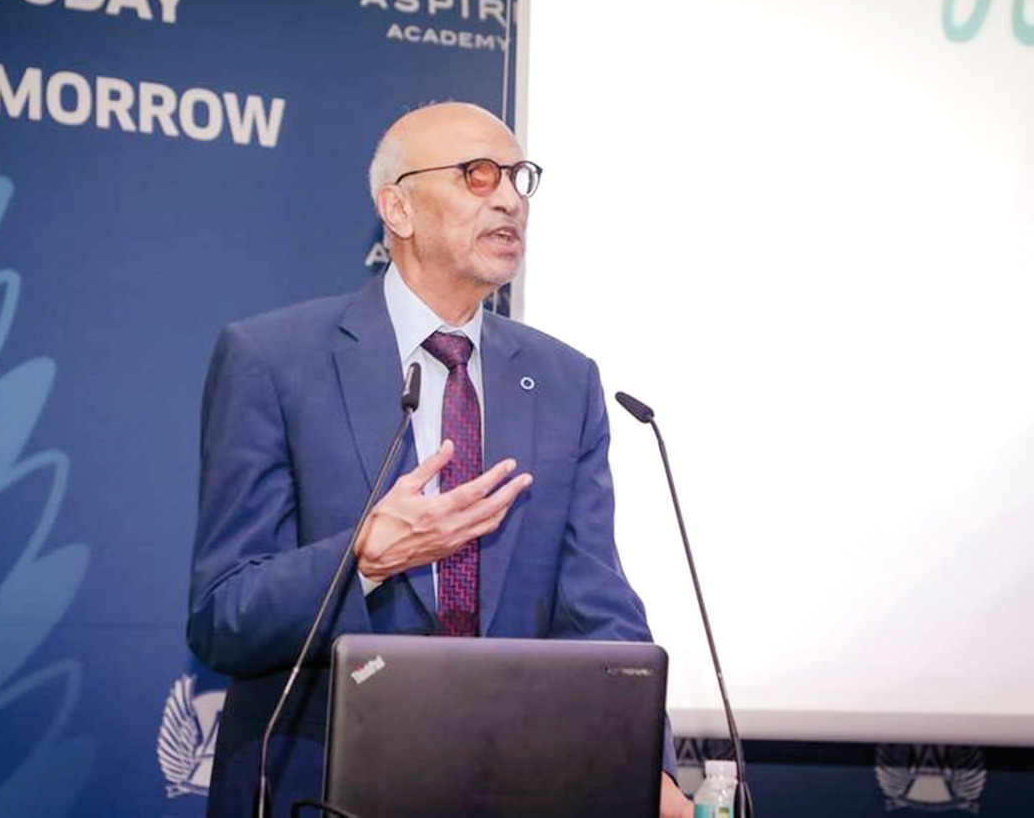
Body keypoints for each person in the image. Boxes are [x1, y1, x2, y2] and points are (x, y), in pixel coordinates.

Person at [188, 101, 693, 817]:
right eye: (477, 175)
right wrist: (363, 556)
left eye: (520, 178)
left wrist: (652, 766)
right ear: (397, 208)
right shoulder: (275, 360)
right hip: (321, 790)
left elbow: (598, 608)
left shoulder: (564, 380)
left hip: (515, 791)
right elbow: (223, 616)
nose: (511, 198)